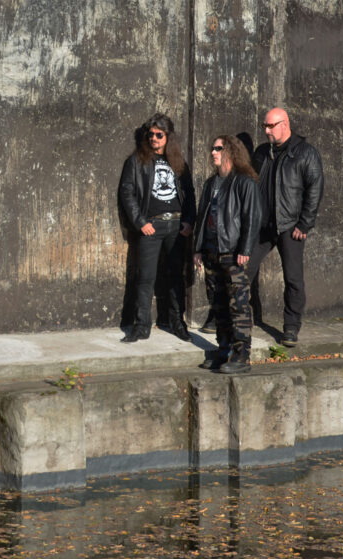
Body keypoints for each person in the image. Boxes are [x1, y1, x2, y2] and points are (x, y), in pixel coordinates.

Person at [247, 108, 324, 347]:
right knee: (243, 270)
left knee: (293, 278)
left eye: (271, 126)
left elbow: (315, 188)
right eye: (264, 126)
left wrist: (305, 223)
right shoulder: (262, 152)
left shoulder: (305, 152)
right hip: (262, 225)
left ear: (285, 124)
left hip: (290, 226)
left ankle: (291, 327)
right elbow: (250, 184)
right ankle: (240, 319)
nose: (267, 131)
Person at [117, 113, 196, 342]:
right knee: (145, 277)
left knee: (176, 276)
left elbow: (189, 194)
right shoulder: (136, 161)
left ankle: (177, 323)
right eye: (150, 134)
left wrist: (189, 221)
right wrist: (140, 222)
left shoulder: (178, 162)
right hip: (151, 226)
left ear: (168, 136)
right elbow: (126, 192)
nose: (154, 138)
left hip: (176, 226)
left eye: (159, 135)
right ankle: (141, 326)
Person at [193, 135, 261, 373]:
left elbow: (252, 217)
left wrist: (245, 248)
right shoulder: (210, 183)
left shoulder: (245, 182)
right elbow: (202, 218)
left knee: (238, 305)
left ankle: (242, 356)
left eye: (218, 148)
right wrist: (198, 249)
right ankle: (223, 351)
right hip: (211, 251)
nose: (213, 152)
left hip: (232, 252)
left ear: (231, 152)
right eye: (212, 148)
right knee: (218, 305)